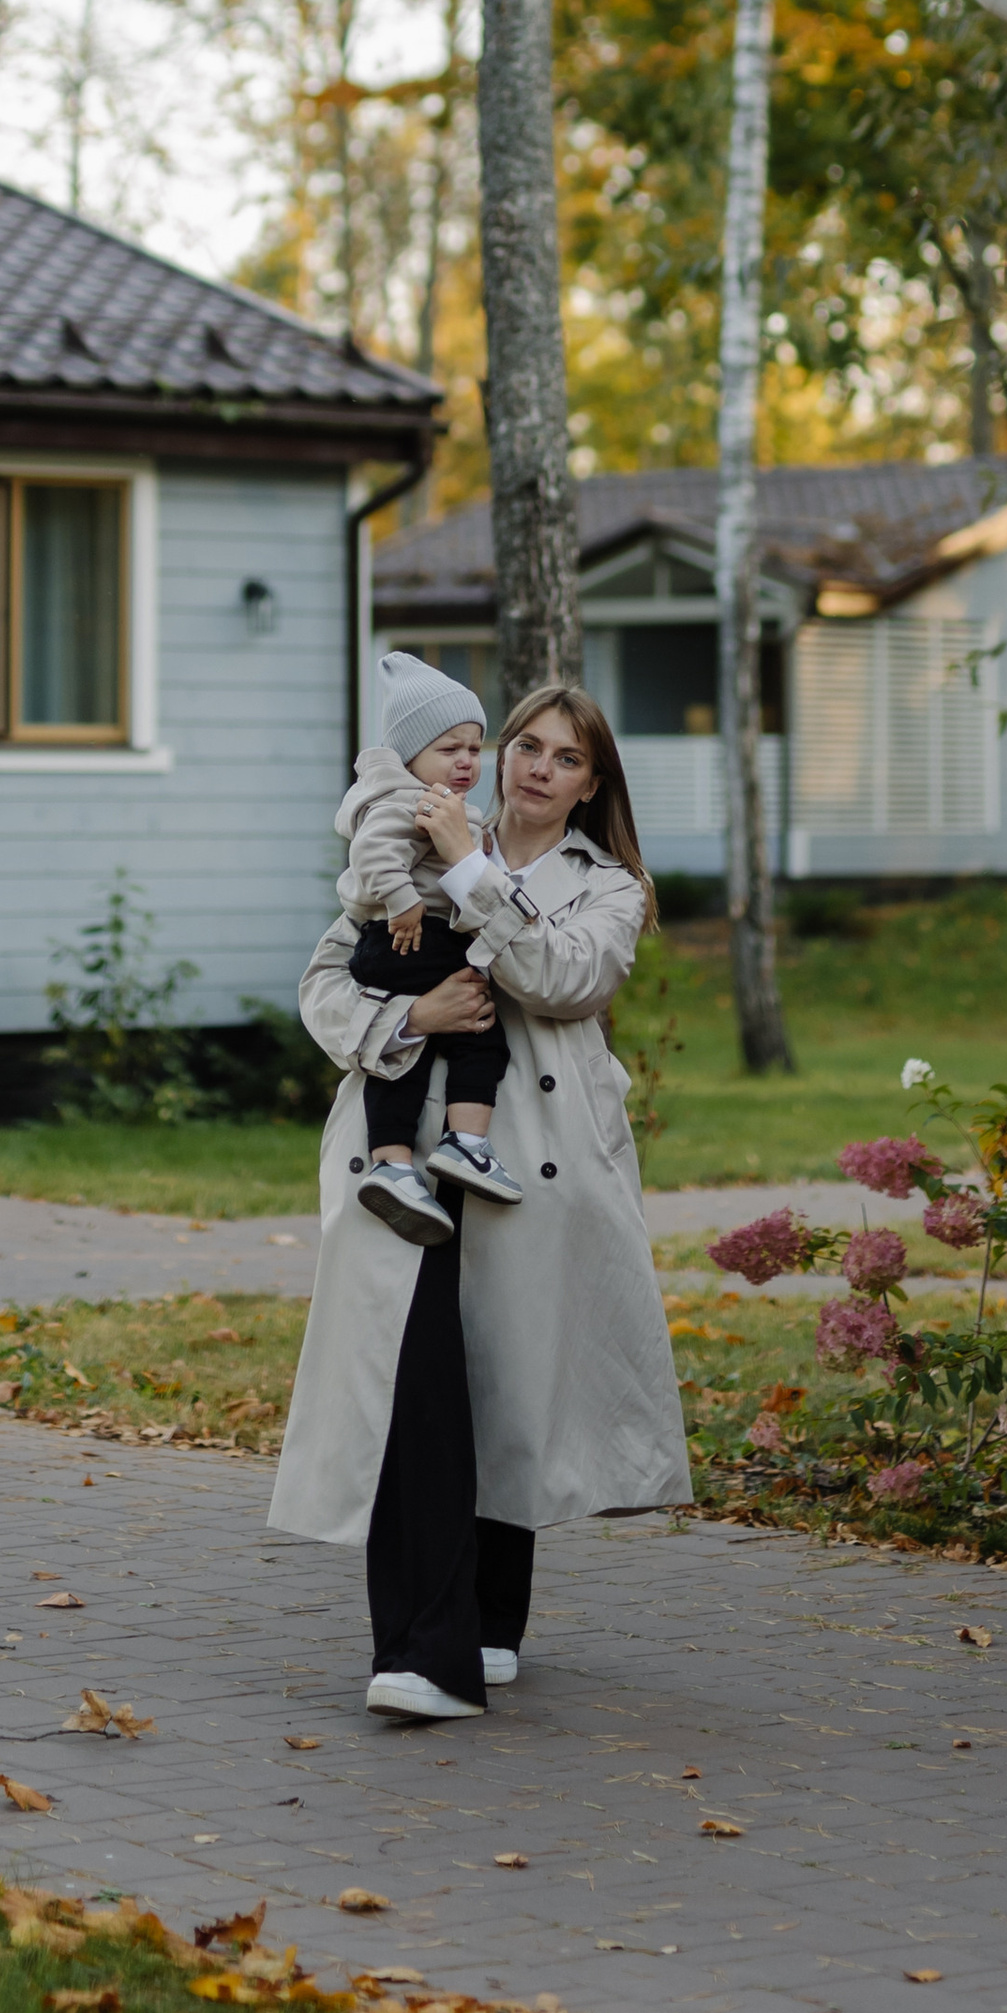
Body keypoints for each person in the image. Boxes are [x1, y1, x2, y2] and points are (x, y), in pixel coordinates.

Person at [267, 682, 693, 1722]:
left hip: (536, 1168)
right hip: (404, 1151)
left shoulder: (612, 887)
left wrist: (470, 870)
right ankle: (423, 1652)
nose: (534, 767)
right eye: (523, 745)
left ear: (593, 786)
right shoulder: (416, 820)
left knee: (509, 1387)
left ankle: (492, 1621)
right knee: (412, 1389)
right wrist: (408, 1012)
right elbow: (325, 981)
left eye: (564, 758)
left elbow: (564, 979)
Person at [336, 652, 517, 1241]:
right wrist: (402, 901)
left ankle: (392, 1166)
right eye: (449, 748)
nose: (466, 761)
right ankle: (466, 1143)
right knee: (480, 1032)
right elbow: (371, 853)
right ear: (410, 753)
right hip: (414, 939)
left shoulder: (428, 797)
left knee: (401, 1058)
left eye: (474, 747)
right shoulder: (411, 799)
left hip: (395, 947)